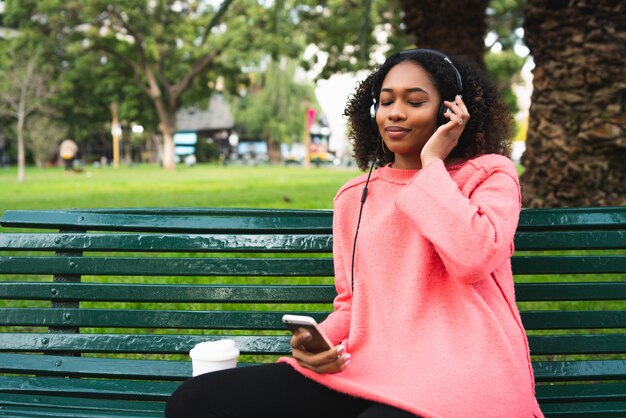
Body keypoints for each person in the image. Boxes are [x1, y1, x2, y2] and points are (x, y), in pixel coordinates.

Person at [165, 48, 544, 418]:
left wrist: (432, 165)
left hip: (464, 371)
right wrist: (320, 343)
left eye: (415, 101)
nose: (395, 112)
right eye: (385, 101)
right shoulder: (354, 197)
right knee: (195, 401)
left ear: (451, 112)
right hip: (369, 367)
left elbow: (473, 257)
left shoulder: (490, 175)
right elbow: (352, 301)